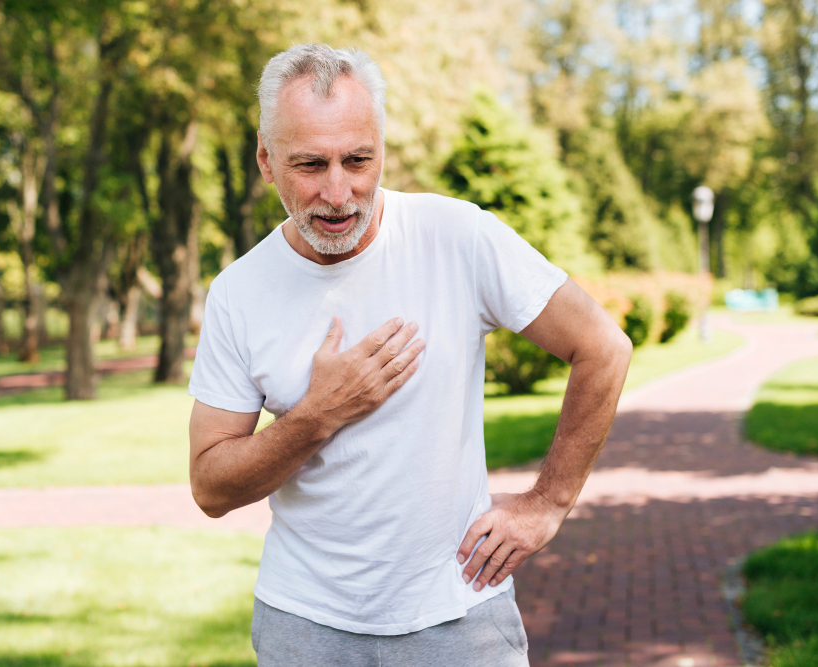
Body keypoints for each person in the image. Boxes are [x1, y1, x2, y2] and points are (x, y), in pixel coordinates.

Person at [187, 44, 632, 666]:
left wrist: (548, 503)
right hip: (305, 628)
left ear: (382, 149)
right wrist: (319, 414)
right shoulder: (238, 292)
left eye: (358, 160)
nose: (339, 193)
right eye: (310, 164)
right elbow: (210, 487)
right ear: (266, 159)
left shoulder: (460, 237)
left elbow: (603, 347)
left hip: (462, 613)